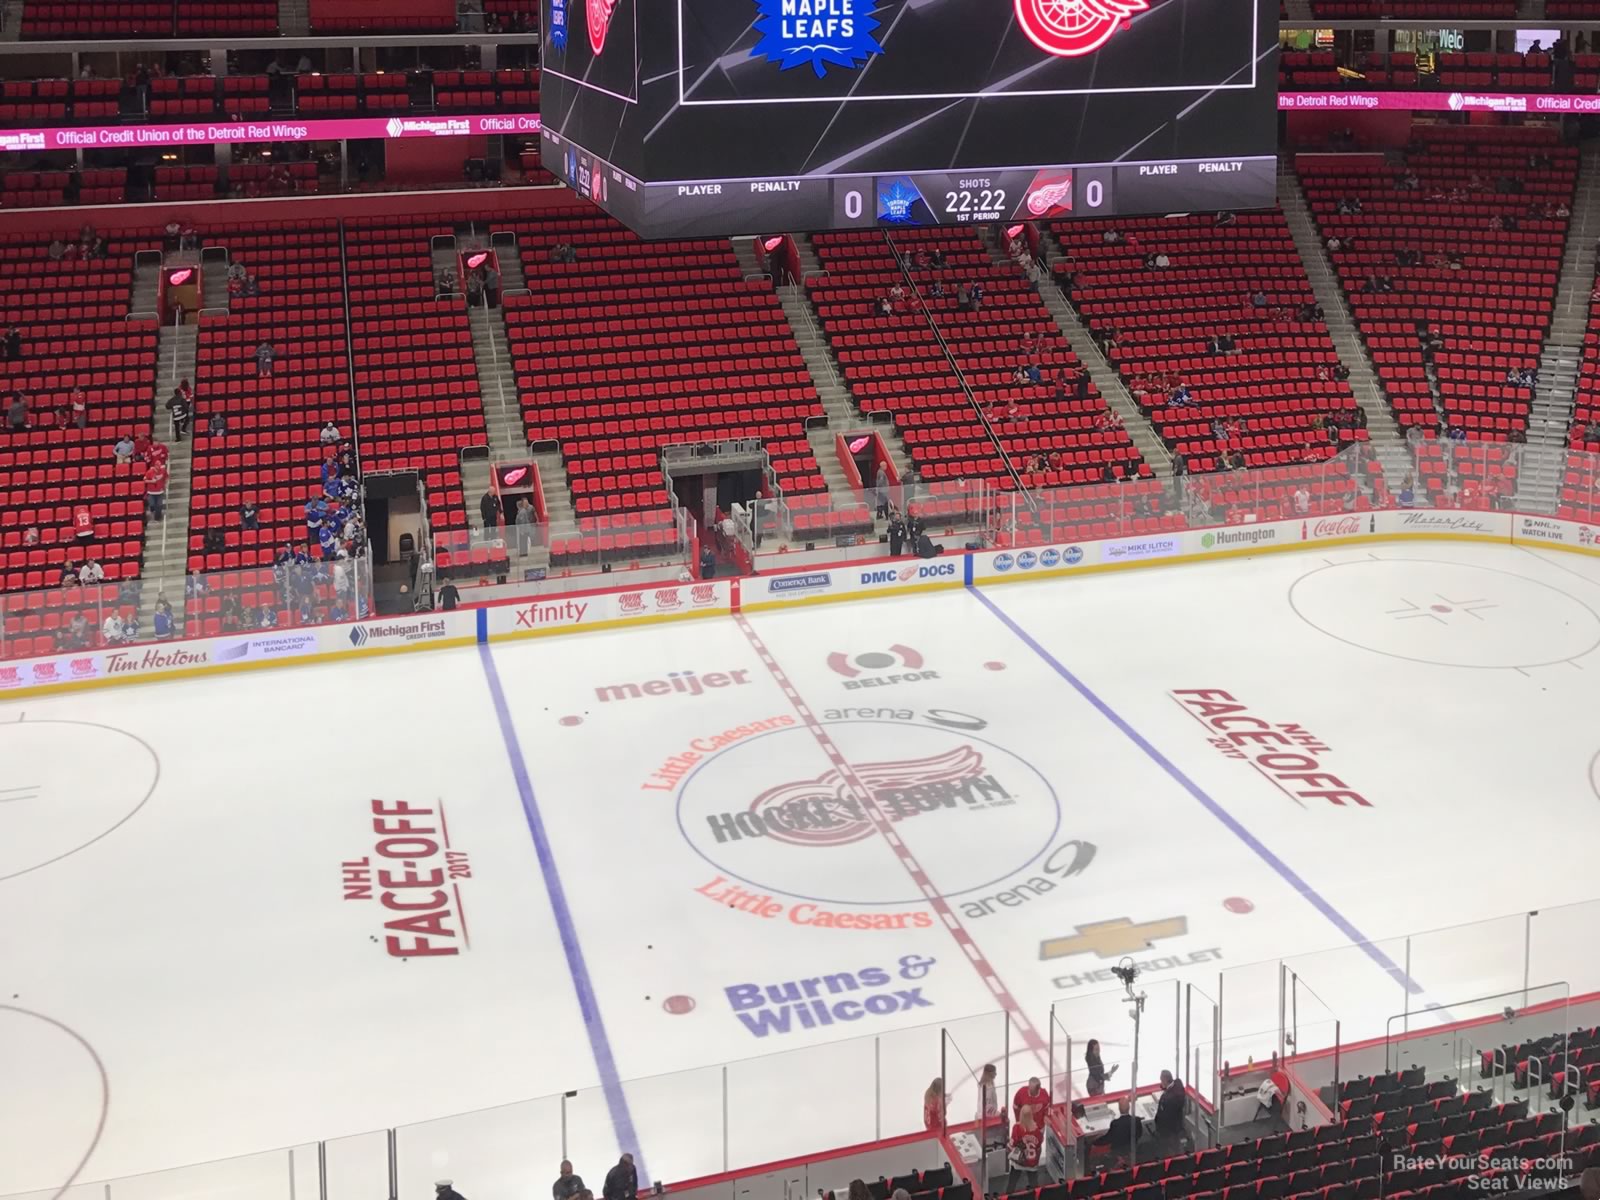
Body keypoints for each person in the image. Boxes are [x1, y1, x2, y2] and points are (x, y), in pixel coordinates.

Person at [1006, 1106, 1044, 1193]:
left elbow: (1012, 1144)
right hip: (1032, 1163)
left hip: (1019, 1162)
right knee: (1034, 1186)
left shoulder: (1017, 1128)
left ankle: (1008, 1197)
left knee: (1012, 1183)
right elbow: (1039, 1143)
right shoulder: (1037, 1130)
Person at [1153, 1070, 1187, 1152]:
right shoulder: (1178, 1083)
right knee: (1176, 1145)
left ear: (1165, 1080)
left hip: (1168, 1130)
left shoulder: (1167, 1098)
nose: (1160, 1082)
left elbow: (1162, 1117)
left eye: (1161, 1080)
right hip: (1178, 1124)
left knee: (1169, 1148)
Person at [1104, 1097, 1143, 1163]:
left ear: (1119, 1108)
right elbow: (1139, 1134)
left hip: (1117, 1150)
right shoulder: (1136, 1120)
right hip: (1131, 1148)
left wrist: (1095, 1141)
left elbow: (1109, 1138)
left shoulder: (1115, 1123)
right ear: (1129, 1107)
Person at [977, 1063, 1002, 1148]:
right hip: (987, 1118)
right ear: (989, 1073)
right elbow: (987, 1106)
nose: (996, 1074)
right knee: (989, 1140)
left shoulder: (989, 1083)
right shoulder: (986, 1087)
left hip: (988, 1116)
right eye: (994, 1072)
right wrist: (998, 1114)